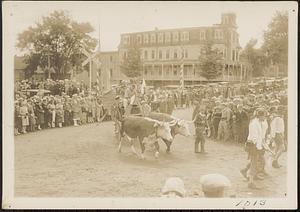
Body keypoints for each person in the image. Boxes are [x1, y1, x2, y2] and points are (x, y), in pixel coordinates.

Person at [241, 108, 268, 189]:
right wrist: (259, 147)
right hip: (253, 145)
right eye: (264, 116)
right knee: (254, 163)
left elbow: (261, 135)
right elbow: (255, 137)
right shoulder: (254, 123)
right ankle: (251, 182)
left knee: (256, 160)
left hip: (257, 144)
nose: (265, 118)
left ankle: (245, 171)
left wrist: (264, 145)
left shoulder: (260, 122)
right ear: (260, 115)